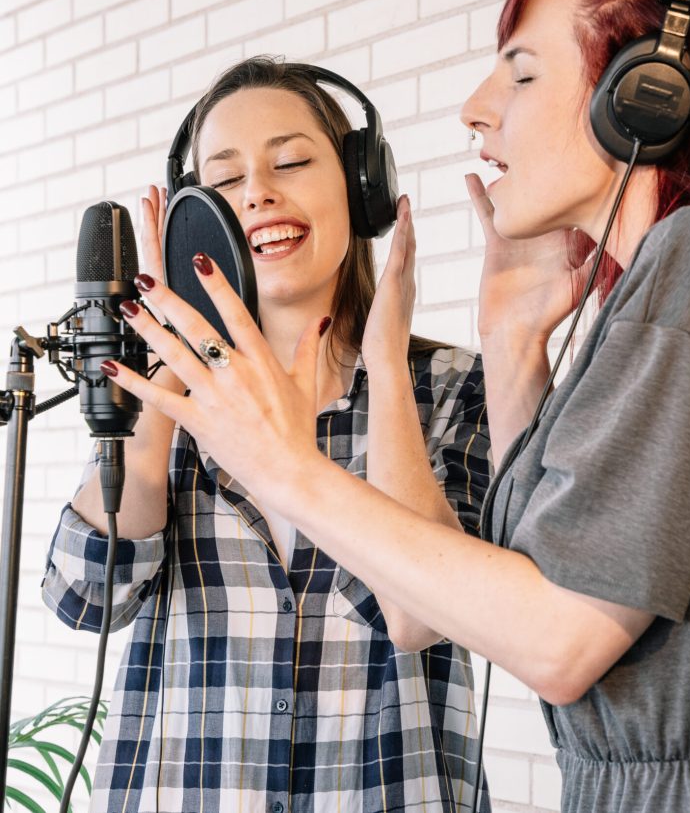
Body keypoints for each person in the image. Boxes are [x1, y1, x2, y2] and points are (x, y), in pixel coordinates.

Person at [99, 0, 690, 811]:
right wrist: (514, 344)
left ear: (648, 95)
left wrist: (287, 465)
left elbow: (553, 640)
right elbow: (550, 569)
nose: (477, 106)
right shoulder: (688, 272)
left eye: (523, 71)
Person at [42, 57, 492, 813]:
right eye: (223, 182)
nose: (257, 192)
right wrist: (165, 362)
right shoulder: (167, 401)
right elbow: (87, 597)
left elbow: (428, 613)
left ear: (360, 189)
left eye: (290, 161)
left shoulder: (450, 386)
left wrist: (384, 365)